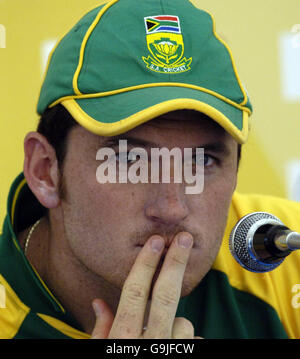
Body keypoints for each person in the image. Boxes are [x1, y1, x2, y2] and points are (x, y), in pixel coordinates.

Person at [1, 0, 300, 339]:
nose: (173, 208)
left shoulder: (283, 251)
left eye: (202, 161)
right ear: (45, 171)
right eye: (130, 160)